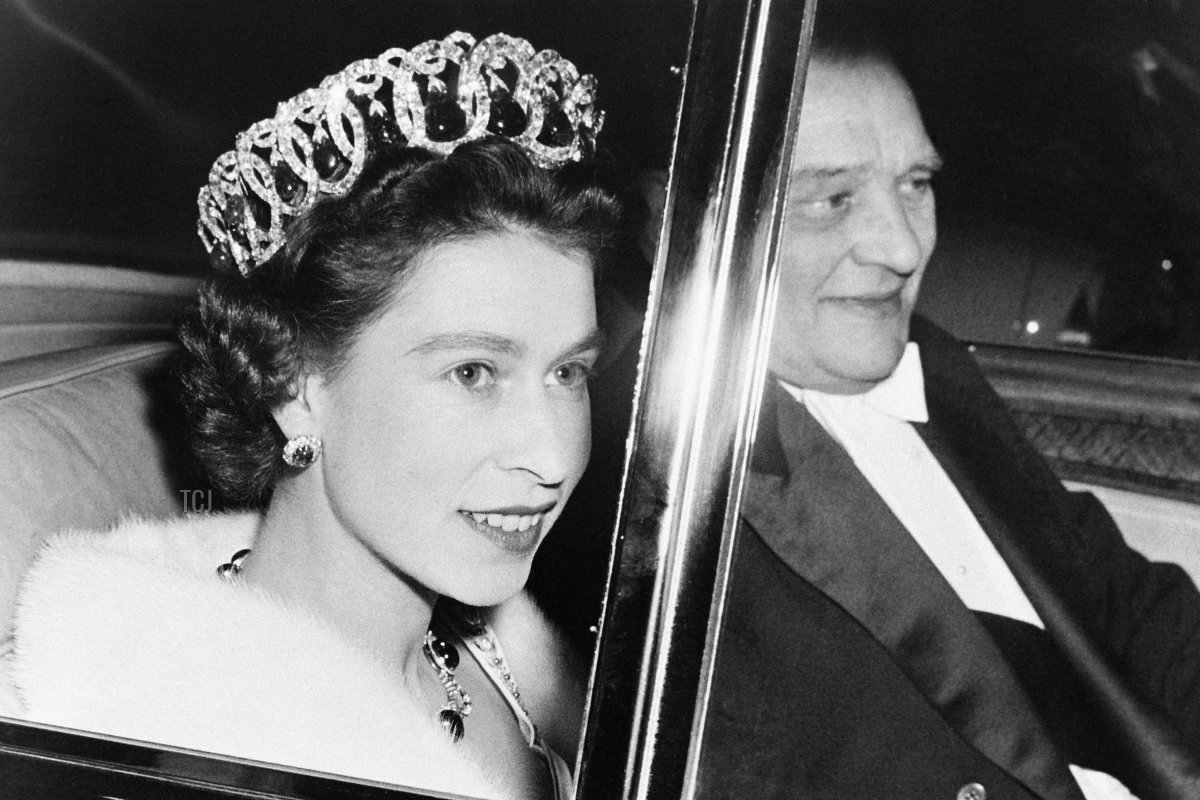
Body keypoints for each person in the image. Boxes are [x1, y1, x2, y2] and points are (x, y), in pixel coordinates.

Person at [0, 32, 619, 800]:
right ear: (294, 385)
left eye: (567, 371)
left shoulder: (500, 657)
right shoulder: (156, 740)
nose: (552, 456)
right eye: (473, 373)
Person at [698, 14, 1200, 800]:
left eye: (917, 185)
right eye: (832, 200)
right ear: (688, 222)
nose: (903, 247)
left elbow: (1128, 604)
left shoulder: (936, 367)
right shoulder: (668, 489)